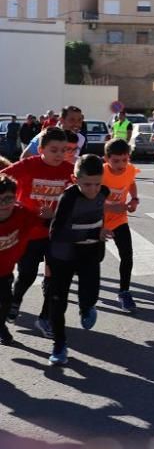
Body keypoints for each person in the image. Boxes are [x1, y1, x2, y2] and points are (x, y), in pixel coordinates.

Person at [4, 127, 73, 330]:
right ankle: (15, 300)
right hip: (30, 233)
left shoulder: (69, 171)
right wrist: (12, 208)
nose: (59, 154)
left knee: (55, 277)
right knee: (27, 274)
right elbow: (3, 179)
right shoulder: (28, 165)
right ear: (41, 149)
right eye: (54, 150)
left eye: (63, 150)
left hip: (55, 233)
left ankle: (46, 317)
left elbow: (81, 194)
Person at [44, 154, 109, 365]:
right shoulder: (68, 199)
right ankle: (59, 345)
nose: (92, 189)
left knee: (91, 293)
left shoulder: (104, 192)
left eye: (97, 184)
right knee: (57, 301)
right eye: (87, 184)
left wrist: (101, 231)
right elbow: (56, 233)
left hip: (90, 254)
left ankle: (86, 306)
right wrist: (92, 234)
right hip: (63, 256)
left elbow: (101, 213)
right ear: (75, 179)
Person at [102, 138, 140, 312]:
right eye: (116, 161)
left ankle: (124, 291)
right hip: (98, 221)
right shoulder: (100, 173)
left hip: (119, 219)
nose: (121, 164)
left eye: (125, 160)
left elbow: (131, 182)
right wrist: (112, 206)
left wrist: (134, 199)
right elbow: (91, 198)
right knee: (95, 258)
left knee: (127, 255)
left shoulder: (130, 169)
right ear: (106, 158)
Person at [0, 175, 36, 346]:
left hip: (5, 271)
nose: (4, 205)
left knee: (6, 301)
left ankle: (1, 326)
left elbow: (42, 220)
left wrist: (48, 213)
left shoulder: (22, 214)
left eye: (8, 199)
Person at [22, 106, 86, 163]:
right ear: (61, 120)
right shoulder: (45, 135)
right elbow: (24, 159)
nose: (77, 124)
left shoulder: (81, 138)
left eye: (79, 120)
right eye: (72, 120)